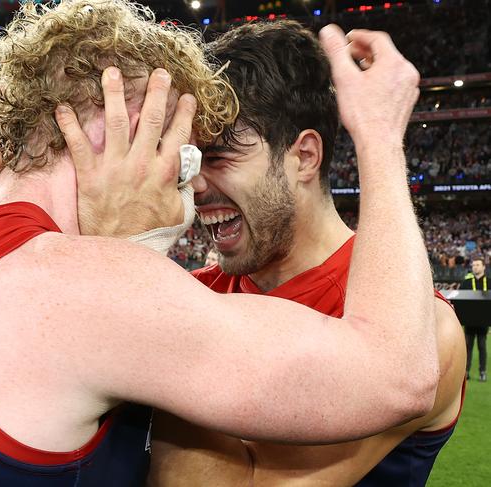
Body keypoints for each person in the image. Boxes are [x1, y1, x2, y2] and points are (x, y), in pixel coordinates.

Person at [0, 1, 439, 485]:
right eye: (181, 153)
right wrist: (381, 137)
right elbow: (400, 376)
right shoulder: (83, 288)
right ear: (122, 129)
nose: (192, 181)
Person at [148, 22, 466, 487]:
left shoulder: (419, 333)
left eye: (218, 157)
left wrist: (154, 332)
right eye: (192, 162)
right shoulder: (194, 293)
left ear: (304, 156)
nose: (195, 186)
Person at [461, 258, 488, 382]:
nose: (475, 267)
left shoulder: (489, 282)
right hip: (469, 321)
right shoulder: (466, 283)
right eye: (473, 265)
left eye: (478, 265)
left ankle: (482, 372)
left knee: (482, 346)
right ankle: (465, 372)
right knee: (467, 347)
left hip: (483, 321)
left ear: (484, 267)